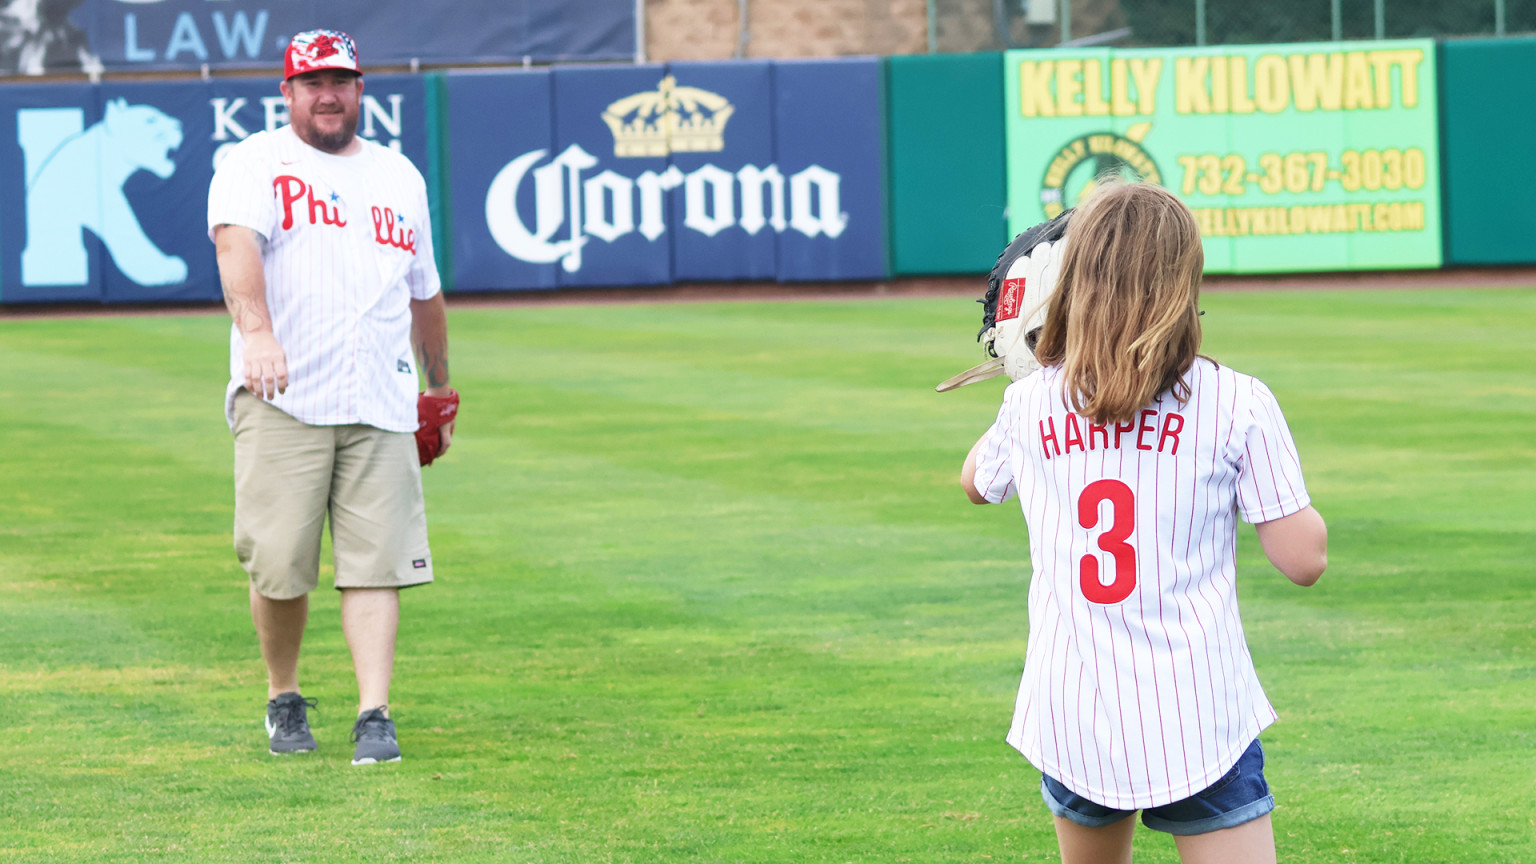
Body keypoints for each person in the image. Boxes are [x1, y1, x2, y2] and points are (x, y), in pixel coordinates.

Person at [959, 180, 1327, 864]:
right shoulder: (1237, 401)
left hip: (1075, 713)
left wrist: (1026, 376)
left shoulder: (1032, 406)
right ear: (1183, 282)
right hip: (1198, 714)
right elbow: (1304, 561)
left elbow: (977, 484)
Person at [207, 29, 454, 766]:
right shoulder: (254, 163)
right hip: (283, 396)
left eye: (340, 81)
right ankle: (284, 696)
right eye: (312, 82)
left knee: (377, 565)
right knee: (280, 566)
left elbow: (425, 291)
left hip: (379, 399)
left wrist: (438, 385)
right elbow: (234, 246)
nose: (327, 94)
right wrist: (256, 335)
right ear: (287, 92)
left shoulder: (399, 176)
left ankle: (374, 713)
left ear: (359, 89)